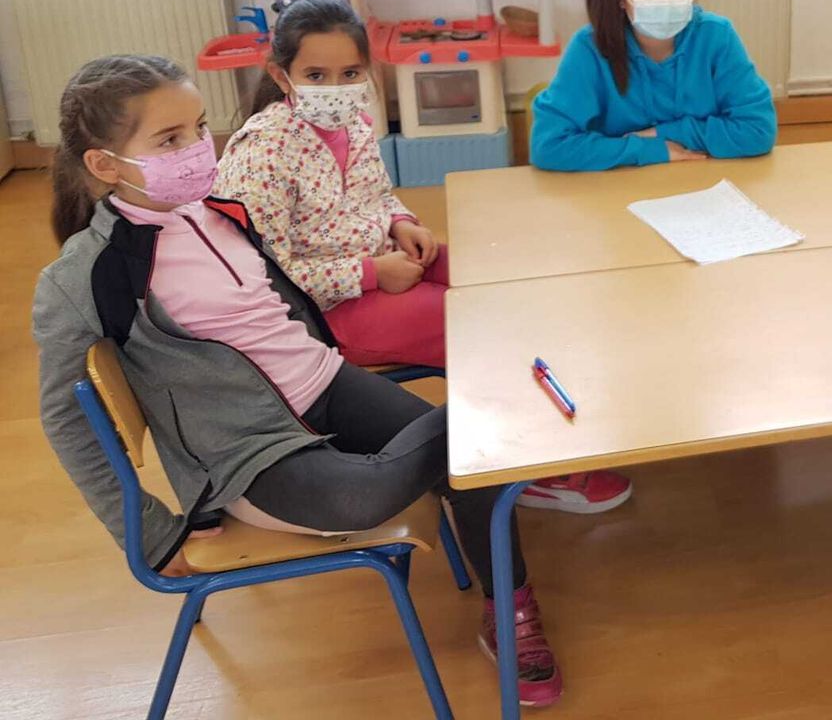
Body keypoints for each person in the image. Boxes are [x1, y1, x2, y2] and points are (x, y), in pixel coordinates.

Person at [35, 55, 570, 707]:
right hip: (248, 450)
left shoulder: (217, 212)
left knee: (479, 459)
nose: (199, 149)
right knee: (409, 472)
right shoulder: (83, 276)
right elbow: (66, 417)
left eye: (200, 128)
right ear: (105, 164)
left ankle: (510, 604)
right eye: (170, 140)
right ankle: (499, 413)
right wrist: (143, 528)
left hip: (324, 382)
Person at [215, 0, 632, 515]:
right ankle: (532, 474)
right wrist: (370, 274)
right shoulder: (263, 150)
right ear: (281, 75)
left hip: (384, 264)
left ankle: (550, 437)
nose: (334, 88)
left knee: (507, 286)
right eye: (316, 75)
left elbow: (375, 195)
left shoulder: (355, 124)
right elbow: (262, 276)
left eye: (349, 72)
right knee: (483, 333)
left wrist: (402, 223)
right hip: (324, 312)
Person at [532, 0, 777, 170]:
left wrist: (664, 133)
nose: (666, 4)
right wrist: (646, 149)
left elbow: (758, 131)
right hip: (617, 189)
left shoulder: (716, 36)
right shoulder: (590, 47)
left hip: (700, 182)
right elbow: (549, 146)